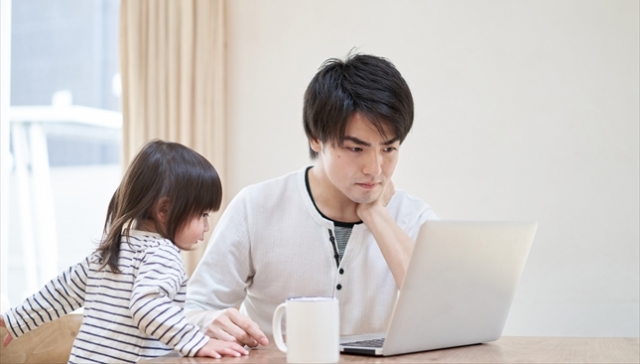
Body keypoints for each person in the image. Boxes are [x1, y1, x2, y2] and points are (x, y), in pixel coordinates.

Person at [185, 53, 438, 348]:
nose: (375, 168)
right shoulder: (256, 207)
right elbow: (193, 309)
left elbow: (441, 313)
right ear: (316, 137)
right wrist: (207, 321)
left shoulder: (414, 217)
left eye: (389, 149)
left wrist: (375, 213)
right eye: (357, 149)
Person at [0, 140, 249, 363]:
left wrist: (17, 319)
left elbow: (63, 290)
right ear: (164, 210)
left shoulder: (112, 249)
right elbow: (147, 307)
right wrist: (197, 341)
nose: (206, 226)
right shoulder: (162, 253)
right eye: (203, 214)